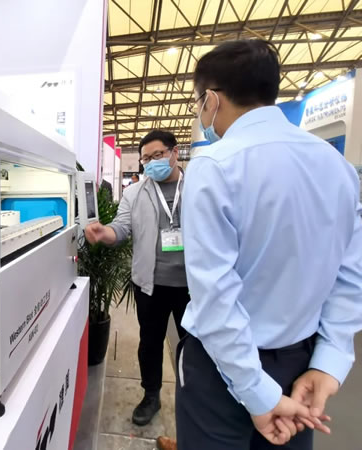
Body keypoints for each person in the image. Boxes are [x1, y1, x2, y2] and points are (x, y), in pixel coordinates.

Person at [168, 39, 361, 449]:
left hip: (221, 368)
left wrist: (256, 390)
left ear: (212, 100)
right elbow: (350, 275)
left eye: (198, 103)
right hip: (300, 364)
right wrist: (329, 361)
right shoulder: (338, 168)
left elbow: (215, 296)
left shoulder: (214, 166)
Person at [85, 130, 190, 426]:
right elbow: (121, 228)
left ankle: (194, 397)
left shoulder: (199, 187)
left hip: (193, 287)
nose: (151, 163)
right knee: (150, 343)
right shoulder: (135, 193)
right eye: (146, 159)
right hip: (150, 285)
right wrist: (105, 233)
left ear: (174, 152)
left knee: (194, 346)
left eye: (157, 155)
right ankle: (151, 395)